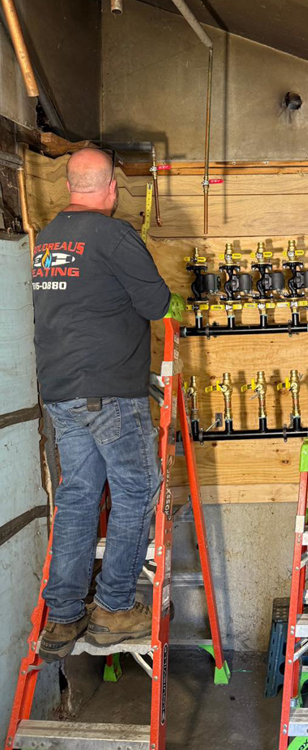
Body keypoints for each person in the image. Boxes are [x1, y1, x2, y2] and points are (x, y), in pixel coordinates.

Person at [31, 147, 179, 662]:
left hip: (61, 394)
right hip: (111, 393)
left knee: (77, 498)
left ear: (72, 185)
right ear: (111, 186)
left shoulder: (47, 240)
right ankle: (114, 607)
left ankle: (64, 616)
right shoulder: (115, 235)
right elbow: (158, 304)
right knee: (138, 490)